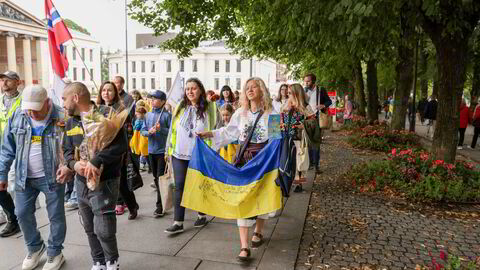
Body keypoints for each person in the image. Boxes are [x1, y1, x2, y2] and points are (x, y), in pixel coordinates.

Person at [197, 77, 276, 261]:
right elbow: (228, 132)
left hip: (263, 160)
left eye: (254, 87)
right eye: (247, 87)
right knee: (242, 199)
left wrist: (271, 164)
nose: (250, 90)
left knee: (261, 198)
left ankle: (258, 230)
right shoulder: (240, 113)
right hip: (243, 160)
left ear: (261, 90)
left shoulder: (271, 112)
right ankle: (244, 246)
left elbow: (275, 140)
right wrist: (209, 134)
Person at [0, 85, 68, 270]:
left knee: (56, 216)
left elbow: (73, 146)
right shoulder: (19, 115)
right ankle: (35, 247)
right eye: (28, 109)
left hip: (53, 177)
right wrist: (2, 173)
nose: (31, 113)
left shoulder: (62, 116)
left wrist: (67, 165)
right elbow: (7, 148)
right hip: (25, 176)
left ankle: (55, 252)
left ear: (47, 102)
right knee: (21, 213)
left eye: (35, 109)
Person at [62, 82, 127, 270]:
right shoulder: (70, 121)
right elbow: (66, 150)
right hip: (81, 182)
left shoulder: (107, 115)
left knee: (104, 228)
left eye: (65, 99)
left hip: (106, 180)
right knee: (89, 226)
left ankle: (112, 262)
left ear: (75, 97)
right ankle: (98, 262)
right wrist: (75, 164)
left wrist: (96, 160)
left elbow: (121, 146)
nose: (63, 104)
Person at [164, 78, 217, 234]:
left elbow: (218, 128)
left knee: (199, 184)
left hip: (200, 153)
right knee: (179, 186)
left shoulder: (211, 108)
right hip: (179, 152)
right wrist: (168, 149)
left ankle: (201, 214)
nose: (190, 91)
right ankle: (178, 222)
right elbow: (172, 130)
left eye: (193, 88)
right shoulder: (180, 107)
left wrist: (213, 149)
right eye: (187, 89)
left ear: (200, 89)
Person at [97, 81, 139, 220]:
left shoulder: (121, 109)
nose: (106, 93)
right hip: (100, 151)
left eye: (109, 90)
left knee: (121, 183)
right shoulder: (97, 109)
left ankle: (131, 206)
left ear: (115, 92)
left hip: (117, 152)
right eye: (103, 90)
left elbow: (128, 131)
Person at [141, 90, 171, 218]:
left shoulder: (167, 115)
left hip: (162, 152)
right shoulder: (147, 115)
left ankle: (160, 206)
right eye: (151, 98)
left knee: (160, 178)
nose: (152, 101)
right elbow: (143, 130)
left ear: (163, 101)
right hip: (150, 151)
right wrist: (149, 132)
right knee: (155, 178)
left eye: (155, 99)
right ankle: (163, 201)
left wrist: (161, 129)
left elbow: (171, 132)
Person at [0, 71, 22, 237]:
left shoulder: (23, 100)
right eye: (2, 80)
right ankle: (11, 216)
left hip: (18, 148)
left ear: (17, 82)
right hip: (2, 147)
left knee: (12, 182)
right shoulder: (0, 101)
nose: (4, 82)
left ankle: (16, 218)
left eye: (8, 80)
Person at [281, 84, 314, 193]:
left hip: (299, 138)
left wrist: (303, 125)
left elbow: (313, 123)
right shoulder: (285, 106)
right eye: (288, 93)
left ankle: (298, 184)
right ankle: (288, 180)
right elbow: (277, 120)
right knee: (288, 159)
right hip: (286, 137)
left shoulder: (305, 106)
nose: (288, 95)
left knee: (299, 161)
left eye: (290, 93)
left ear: (297, 93)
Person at [304, 73, 332, 173]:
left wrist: (323, 105)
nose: (306, 83)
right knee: (307, 143)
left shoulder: (320, 90)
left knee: (316, 143)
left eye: (308, 81)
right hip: (306, 120)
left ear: (313, 81)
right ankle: (309, 164)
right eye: (305, 81)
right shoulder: (304, 91)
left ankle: (316, 166)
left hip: (316, 119)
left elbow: (329, 101)